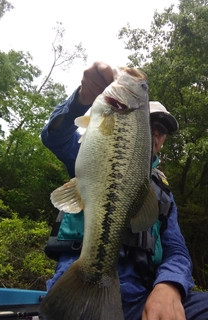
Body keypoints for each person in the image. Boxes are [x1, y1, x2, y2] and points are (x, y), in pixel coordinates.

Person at [41, 62, 208, 320]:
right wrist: (80, 100)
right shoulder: (88, 151)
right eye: (151, 122)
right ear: (136, 120)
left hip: (143, 299)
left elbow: (177, 250)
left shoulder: (163, 194)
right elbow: (56, 137)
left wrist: (170, 285)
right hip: (76, 291)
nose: (156, 132)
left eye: (162, 131)